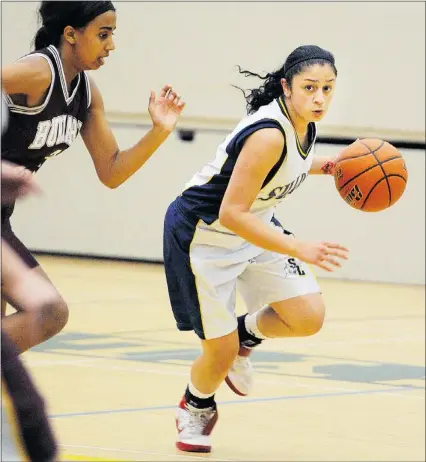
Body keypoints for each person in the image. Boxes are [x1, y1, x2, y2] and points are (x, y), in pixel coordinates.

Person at [163, 45, 349, 452]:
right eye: (310, 88)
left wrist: (332, 165)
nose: (320, 98)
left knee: (307, 317)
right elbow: (231, 212)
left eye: (328, 89)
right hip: (204, 236)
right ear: (287, 86)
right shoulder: (268, 134)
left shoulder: (303, 124)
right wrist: (298, 247)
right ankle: (196, 405)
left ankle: (247, 332)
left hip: (253, 226)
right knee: (220, 350)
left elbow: (291, 166)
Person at [1, 1, 185, 353]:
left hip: (2, 219)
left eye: (111, 35)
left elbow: (112, 171)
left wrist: (160, 131)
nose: (111, 45)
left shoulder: (86, 92)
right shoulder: (40, 70)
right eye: (103, 34)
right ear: (70, 34)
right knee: (49, 312)